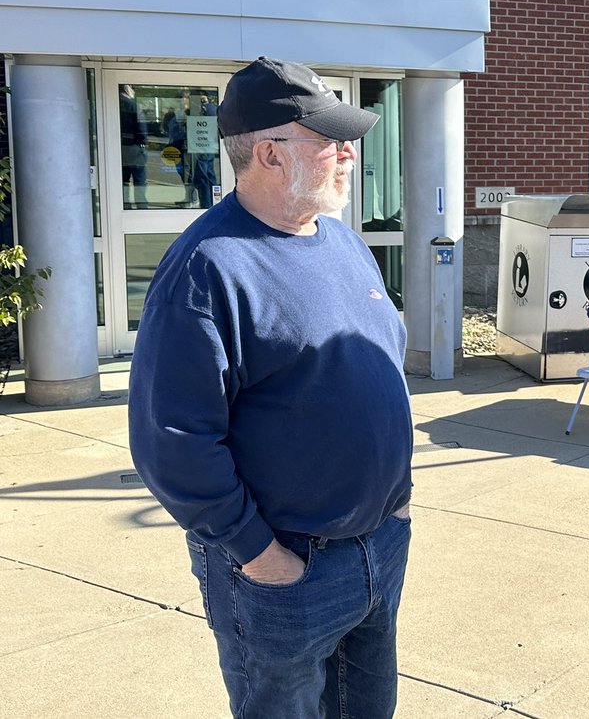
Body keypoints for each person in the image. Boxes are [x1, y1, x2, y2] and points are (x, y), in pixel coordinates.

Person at [128, 56, 414, 719]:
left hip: (378, 550)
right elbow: (173, 444)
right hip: (287, 575)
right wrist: (263, 558)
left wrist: (396, 509)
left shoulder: (343, 243)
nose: (348, 154)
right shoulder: (207, 270)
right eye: (328, 141)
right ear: (269, 154)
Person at [119, 83, 148, 209]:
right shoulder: (133, 105)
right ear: (127, 88)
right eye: (132, 88)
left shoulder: (114, 104)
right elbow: (142, 130)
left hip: (121, 148)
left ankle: (126, 205)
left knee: (124, 181)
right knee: (139, 181)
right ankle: (141, 206)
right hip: (134, 148)